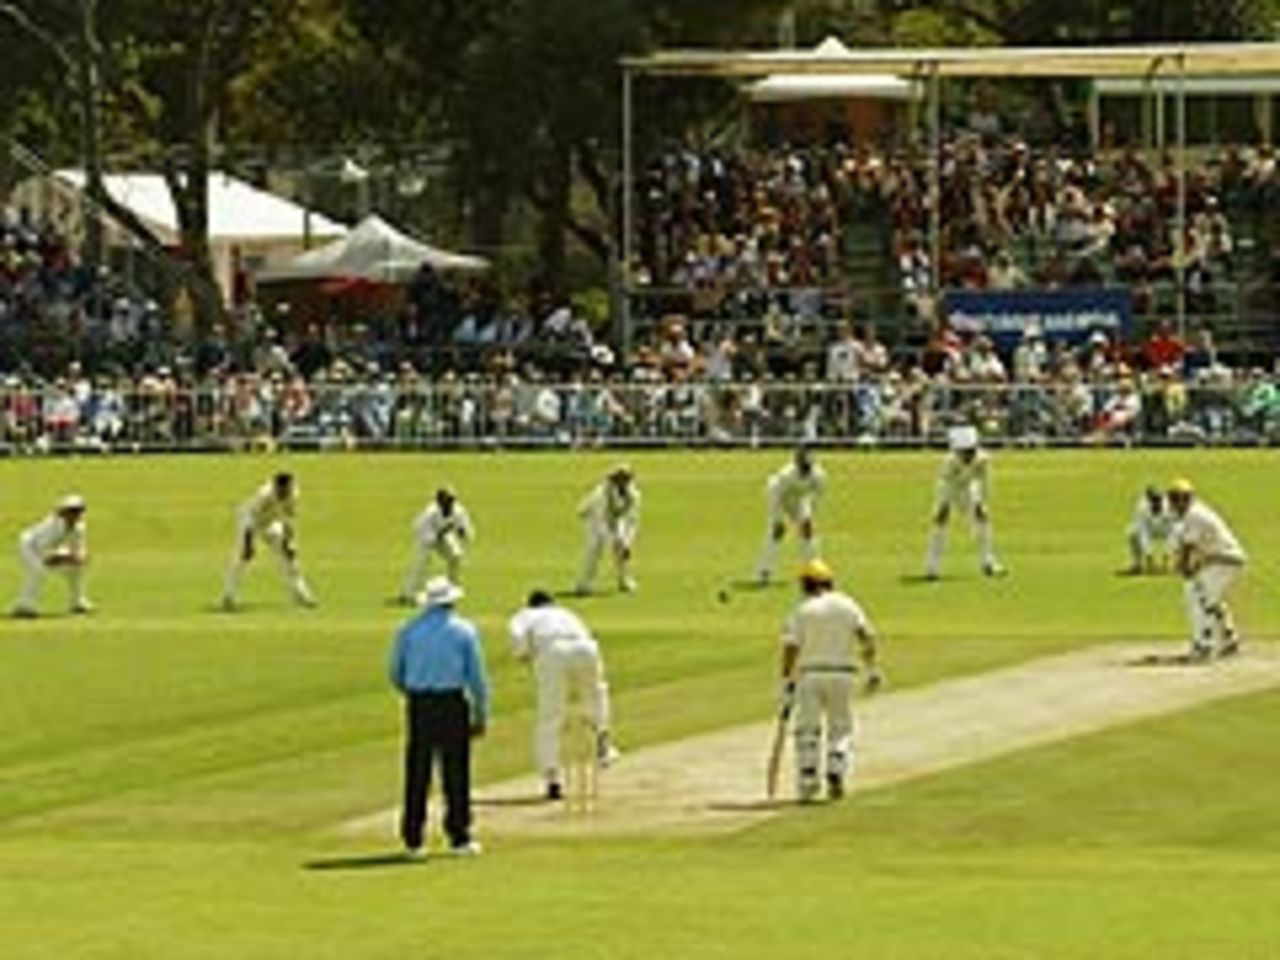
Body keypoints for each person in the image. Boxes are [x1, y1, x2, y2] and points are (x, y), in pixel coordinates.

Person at [389, 576, 489, 858]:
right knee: (456, 772)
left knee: (417, 771)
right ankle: (459, 836)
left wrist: (413, 693)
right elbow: (477, 679)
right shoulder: (464, 631)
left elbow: (395, 672)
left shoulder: (408, 630)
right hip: (452, 702)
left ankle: (413, 839)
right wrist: (481, 714)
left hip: (420, 703)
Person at [778, 559, 882, 803]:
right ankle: (836, 768)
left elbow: (791, 648)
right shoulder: (848, 605)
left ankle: (807, 780)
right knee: (841, 727)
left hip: (810, 676)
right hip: (843, 675)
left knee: (807, 730)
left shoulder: (802, 610)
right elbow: (867, 636)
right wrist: (873, 669)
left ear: (805, 584)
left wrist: (785, 681)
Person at [508, 589, 618, 800]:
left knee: (550, 715)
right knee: (596, 693)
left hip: (552, 651)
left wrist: (527, 656)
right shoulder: (566, 613)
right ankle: (603, 741)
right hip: (586, 648)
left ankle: (552, 778)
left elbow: (519, 646)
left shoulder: (524, 615)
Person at [1167, 479, 1246, 660]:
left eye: (1176, 499)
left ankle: (1203, 645)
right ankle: (1229, 639)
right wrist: (1189, 566)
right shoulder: (1192, 513)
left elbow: (1188, 547)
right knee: (1210, 598)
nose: (1173, 504)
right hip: (1221, 560)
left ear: (1186, 499)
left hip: (1226, 560)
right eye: (1173, 498)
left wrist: (1186, 569)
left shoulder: (1195, 515)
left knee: (1195, 595)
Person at [221, 472, 316, 610]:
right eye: (282, 490)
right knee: (242, 558)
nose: (284, 493)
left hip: (272, 521)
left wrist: (288, 543)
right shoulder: (263, 495)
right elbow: (250, 520)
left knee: (290, 559)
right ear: (275, 486)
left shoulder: (294, 493)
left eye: (287, 489)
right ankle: (229, 597)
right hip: (249, 520)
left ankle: (301, 595)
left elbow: (289, 519)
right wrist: (249, 545)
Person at [924, 425, 1005, 579]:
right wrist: (944, 505)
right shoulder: (949, 462)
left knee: (983, 518)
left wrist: (982, 502)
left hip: (969, 487)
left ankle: (988, 563)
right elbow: (946, 484)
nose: (968, 455)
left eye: (971, 450)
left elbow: (986, 481)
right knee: (940, 522)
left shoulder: (984, 458)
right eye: (964, 451)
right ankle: (932, 568)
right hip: (949, 488)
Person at [12, 495, 93, 618]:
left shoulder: (79, 527)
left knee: (77, 568)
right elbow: (43, 554)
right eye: (72, 511)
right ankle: (24, 606)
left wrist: (79, 557)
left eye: (79, 511)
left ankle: (77, 603)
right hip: (29, 547)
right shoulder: (51, 527)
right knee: (38, 571)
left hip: (49, 549)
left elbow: (79, 548)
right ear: (63, 512)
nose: (76, 515)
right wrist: (64, 558)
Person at [756, 446, 826, 585]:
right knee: (775, 534)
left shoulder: (819, 475)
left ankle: (814, 571)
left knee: (808, 533)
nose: (805, 469)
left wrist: (808, 518)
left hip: (800, 500)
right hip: (779, 498)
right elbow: (775, 498)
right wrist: (778, 520)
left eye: (807, 466)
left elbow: (816, 497)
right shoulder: (785, 475)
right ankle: (764, 571)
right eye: (802, 465)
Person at [399, 486, 475, 603]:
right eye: (446, 501)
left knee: (456, 556)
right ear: (439, 502)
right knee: (421, 563)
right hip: (424, 537)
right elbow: (423, 533)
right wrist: (440, 533)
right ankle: (408, 594)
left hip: (443, 536)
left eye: (451, 501)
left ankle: (452, 588)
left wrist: (463, 532)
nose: (449, 505)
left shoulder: (459, 511)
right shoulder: (429, 513)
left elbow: (467, 530)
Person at [575, 464, 641, 594]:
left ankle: (624, 581)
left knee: (622, 549)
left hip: (617, 518)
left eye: (625, 478)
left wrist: (626, 543)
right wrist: (614, 542)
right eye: (619, 478)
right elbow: (601, 521)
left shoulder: (635, 495)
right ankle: (584, 584)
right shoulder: (601, 493)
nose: (622, 482)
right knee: (594, 550)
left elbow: (632, 520)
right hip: (594, 516)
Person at [1125, 486, 1174, 575]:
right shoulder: (1141, 507)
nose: (1156, 503)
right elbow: (1143, 532)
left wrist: (1166, 558)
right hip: (1149, 529)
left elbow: (1173, 531)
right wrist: (1149, 558)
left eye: (1158, 500)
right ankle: (1137, 564)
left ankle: (1180, 563)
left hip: (1165, 529)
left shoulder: (1170, 506)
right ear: (1149, 500)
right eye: (1153, 501)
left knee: (1180, 530)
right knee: (1132, 532)